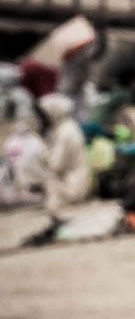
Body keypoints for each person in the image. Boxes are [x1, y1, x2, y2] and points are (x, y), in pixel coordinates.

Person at [40, 92, 92, 224]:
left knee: (49, 178)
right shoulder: (64, 127)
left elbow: (56, 165)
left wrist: (42, 152)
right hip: (76, 179)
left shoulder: (66, 133)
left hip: (73, 185)